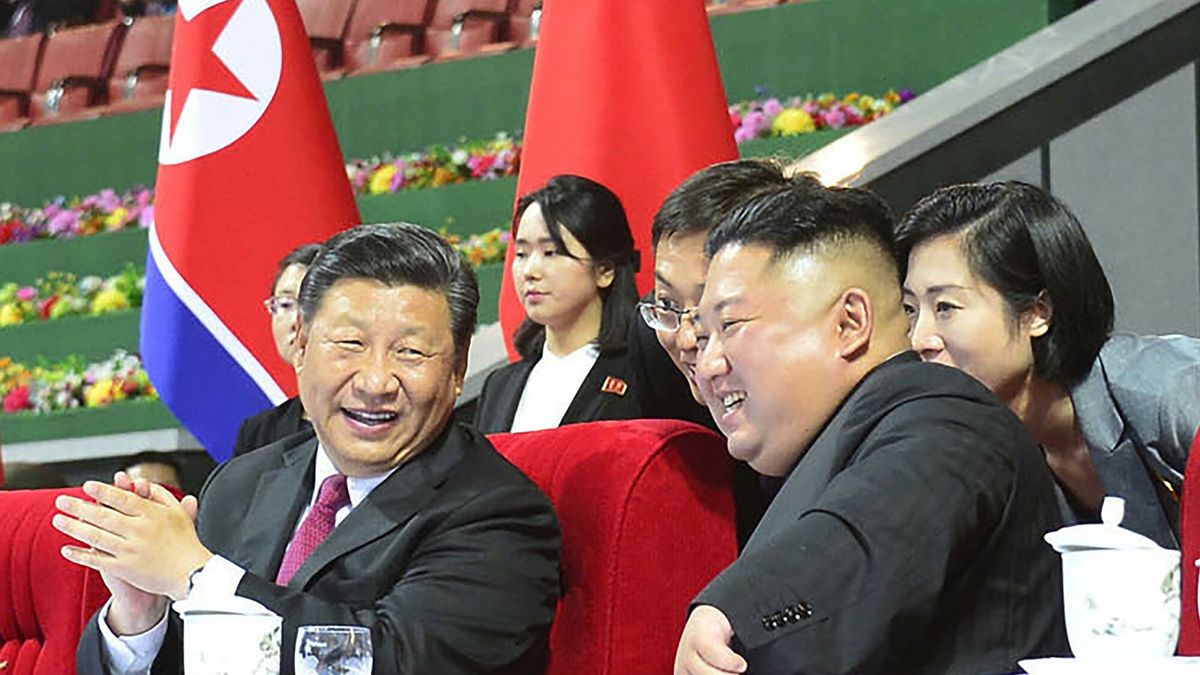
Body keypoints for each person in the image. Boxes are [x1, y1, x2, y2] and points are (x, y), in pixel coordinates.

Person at [56, 222, 562, 675]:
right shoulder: (241, 484)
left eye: (410, 351)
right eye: (349, 344)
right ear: (299, 349)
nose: (376, 380)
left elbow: (391, 660)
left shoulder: (499, 514)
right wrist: (141, 619)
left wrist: (196, 576)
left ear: (456, 373)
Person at [674, 182, 1067, 675]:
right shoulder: (824, 445)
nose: (707, 364)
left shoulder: (949, 417)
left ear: (849, 323)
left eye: (730, 326)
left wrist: (732, 613)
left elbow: (872, 531)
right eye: (703, 335)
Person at [896, 181, 1200, 548]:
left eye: (945, 307)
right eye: (911, 310)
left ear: (1038, 313)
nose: (919, 339)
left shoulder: (1172, 392)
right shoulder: (979, 448)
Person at [475, 174, 642, 433]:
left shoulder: (641, 374)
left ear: (605, 270)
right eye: (521, 254)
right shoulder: (500, 386)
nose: (530, 270)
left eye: (550, 252)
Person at [232, 243, 322, 457]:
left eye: (311, 303)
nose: (296, 321)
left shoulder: (369, 419)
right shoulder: (258, 433)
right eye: (286, 303)